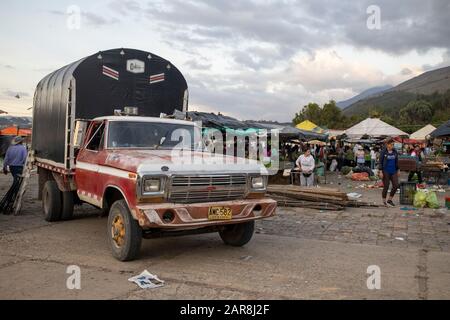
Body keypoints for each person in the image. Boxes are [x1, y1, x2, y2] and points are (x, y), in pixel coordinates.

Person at [378, 139, 399, 207]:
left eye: (393, 144)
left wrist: (398, 170)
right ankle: (384, 201)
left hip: (393, 171)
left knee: (396, 185)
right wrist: (380, 171)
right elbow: (380, 162)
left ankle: (389, 199)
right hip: (385, 171)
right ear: (387, 144)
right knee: (386, 186)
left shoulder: (395, 151)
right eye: (391, 144)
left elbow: (396, 161)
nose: (392, 146)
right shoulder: (383, 152)